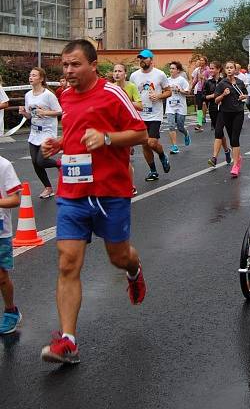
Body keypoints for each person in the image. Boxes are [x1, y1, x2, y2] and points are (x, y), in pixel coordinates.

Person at [40, 39, 148, 365]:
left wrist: (106, 138)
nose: (68, 71)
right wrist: (60, 143)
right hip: (72, 192)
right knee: (67, 263)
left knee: (118, 257)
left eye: (75, 65)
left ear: (92, 64)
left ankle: (134, 269)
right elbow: (76, 131)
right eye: (65, 65)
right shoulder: (65, 96)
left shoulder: (112, 93)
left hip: (110, 192)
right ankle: (68, 340)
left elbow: (140, 133)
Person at [18, 67, 61, 199]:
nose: (31, 77)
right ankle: (48, 188)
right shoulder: (28, 95)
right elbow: (30, 116)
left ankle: (60, 164)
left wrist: (45, 112)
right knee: (35, 162)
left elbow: (60, 111)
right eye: (30, 75)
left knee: (41, 161)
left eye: (34, 75)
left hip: (47, 132)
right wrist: (24, 113)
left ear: (41, 79)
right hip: (35, 132)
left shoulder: (48, 95)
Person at [130, 49, 171, 182]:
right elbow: (131, 95)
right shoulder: (134, 76)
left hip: (155, 114)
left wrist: (159, 96)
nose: (142, 60)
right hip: (140, 115)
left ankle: (162, 155)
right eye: (140, 58)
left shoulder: (160, 74)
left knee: (152, 142)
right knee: (145, 145)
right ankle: (153, 171)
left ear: (151, 60)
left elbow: (169, 92)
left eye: (144, 58)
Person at [112, 64, 142, 196]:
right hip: (113, 126)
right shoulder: (111, 88)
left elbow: (140, 105)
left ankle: (131, 185)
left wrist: (125, 101)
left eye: (120, 71)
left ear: (125, 73)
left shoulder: (131, 87)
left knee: (124, 159)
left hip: (127, 125)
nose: (117, 73)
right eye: (115, 71)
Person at [0, 155, 22, 335]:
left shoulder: (4, 165)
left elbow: (15, 200)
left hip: (1, 232)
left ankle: (11, 311)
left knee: (1, 276)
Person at [214, 61, 247, 178]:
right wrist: (223, 95)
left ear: (235, 70)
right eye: (227, 68)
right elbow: (216, 100)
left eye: (231, 68)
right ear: (225, 70)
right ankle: (237, 157)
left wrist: (244, 97)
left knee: (234, 139)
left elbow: (246, 95)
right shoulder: (222, 84)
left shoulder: (240, 82)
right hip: (225, 113)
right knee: (230, 136)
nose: (229, 70)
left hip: (238, 112)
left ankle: (236, 165)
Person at [205, 62, 231, 168]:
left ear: (219, 69)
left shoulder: (224, 81)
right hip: (213, 109)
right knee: (219, 132)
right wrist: (215, 96)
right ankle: (226, 151)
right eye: (210, 68)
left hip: (225, 110)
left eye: (212, 68)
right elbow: (204, 96)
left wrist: (222, 97)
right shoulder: (208, 82)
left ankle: (214, 157)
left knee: (219, 132)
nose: (210, 70)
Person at [165, 61, 191, 154]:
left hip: (180, 106)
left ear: (178, 70)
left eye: (173, 68)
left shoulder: (182, 80)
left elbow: (188, 92)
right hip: (170, 106)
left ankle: (186, 133)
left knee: (180, 127)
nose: (171, 70)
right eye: (170, 68)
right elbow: (164, 91)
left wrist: (179, 90)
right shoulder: (167, 80)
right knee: (171, 126)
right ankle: (175, 146)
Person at [191, 55, 210, 131]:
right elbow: (195, 80)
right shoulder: (198, 70)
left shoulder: (208, 70)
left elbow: (210, 81)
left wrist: (204, 78)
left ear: (205, 62)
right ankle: (199, 124)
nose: (201, 61)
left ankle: (214, 122)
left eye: (202, 60)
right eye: (200, 60)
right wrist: (191, 88)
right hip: (199, 90)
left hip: (207, 91)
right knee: (199, 107)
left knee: (209, 106)